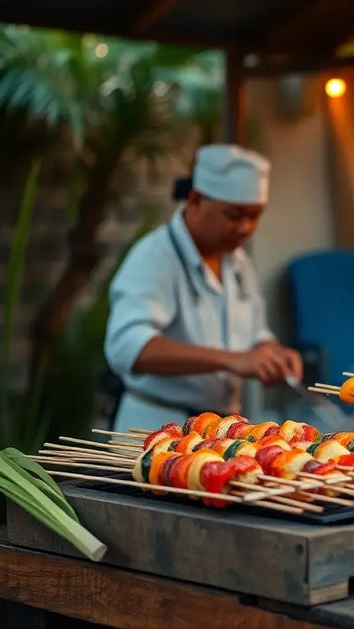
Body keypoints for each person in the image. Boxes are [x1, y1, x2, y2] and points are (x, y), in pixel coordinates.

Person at [104, 144, 302, 432]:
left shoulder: (238, 262)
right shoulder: (155, 256)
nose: (246, 228)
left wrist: (271, 353)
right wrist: (232, 360)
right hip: (155, 427)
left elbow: (255, 333)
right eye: (234, 215)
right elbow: (127, 347)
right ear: (195, 200)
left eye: (255, 216)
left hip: (219, 431)